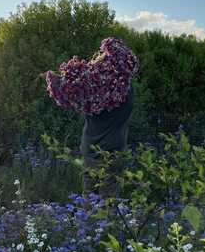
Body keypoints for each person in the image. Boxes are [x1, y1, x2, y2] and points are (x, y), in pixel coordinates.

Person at [41, 37, 139, 197]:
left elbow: (66, 87)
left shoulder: (88, 90)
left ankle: (87, 222)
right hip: (114, 152)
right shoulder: (127, 92)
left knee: (90, 200)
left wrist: (53, 77)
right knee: (109, 204)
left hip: (90, 151)